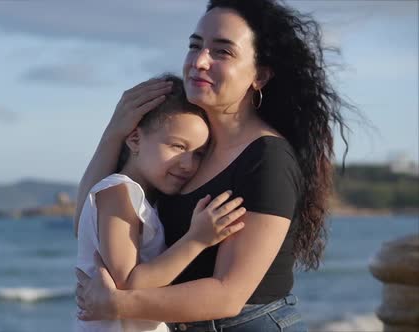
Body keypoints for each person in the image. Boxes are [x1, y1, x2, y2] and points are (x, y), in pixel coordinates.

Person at [74, 0, 353, 331]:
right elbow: (88, 222)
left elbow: (228, 294)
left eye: (222, 52)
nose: (199, 61)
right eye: (195, 46)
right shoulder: (187, 147)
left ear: (259, 76)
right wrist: (114, 133)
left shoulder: (267, 159)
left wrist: (116, 303)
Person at [75, 74, 246, 332]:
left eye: (198, 154)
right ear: (134, 139)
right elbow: (129, 285)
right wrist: (197, 240)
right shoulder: (118, 192)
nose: (188, 164)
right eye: (177, 146)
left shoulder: (144, 199)